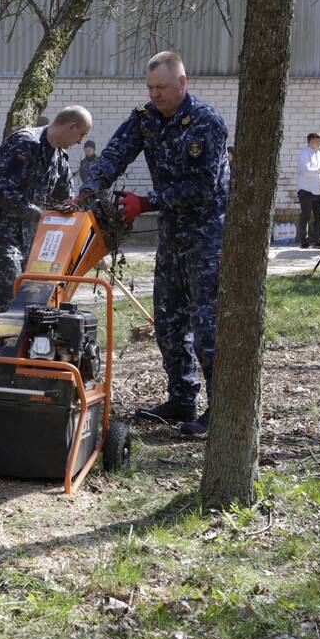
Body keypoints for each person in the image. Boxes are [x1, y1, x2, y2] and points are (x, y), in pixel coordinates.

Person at [80, 50, 229, 438]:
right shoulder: (145, 118)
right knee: (168, 321)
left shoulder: (206, 122)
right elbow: (115, 153)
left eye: (162, 87)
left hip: (208, 234)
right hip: (173, 234)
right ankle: (182, 399)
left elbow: (203, 186)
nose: (155, 94)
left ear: (182, 83)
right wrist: (90, 187)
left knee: (208, 326)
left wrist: (146, 203)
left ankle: (221, 410)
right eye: (150, 87)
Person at [0, 106, 92, 314]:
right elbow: (1, 191)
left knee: (34, 310)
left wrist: (87, 245)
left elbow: (67, 206)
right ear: (71, 127)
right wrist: (40, 215)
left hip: (29, 241)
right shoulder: (25, 143)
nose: (80, 142)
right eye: (81, 134)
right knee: (9, 312)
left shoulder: (59, 159)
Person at [296, 132, 320, 248]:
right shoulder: (304, 153)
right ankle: (303, 241)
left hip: (319, 189)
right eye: (319, 141)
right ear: (311, 141)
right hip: (306, 189)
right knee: (305, 216)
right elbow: (305, 171)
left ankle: (318, 240)